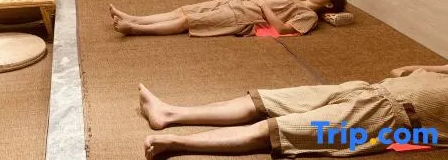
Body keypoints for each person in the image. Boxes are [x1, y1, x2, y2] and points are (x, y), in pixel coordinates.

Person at [139, 64, 448, 159]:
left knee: (280, 129)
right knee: (264, 100)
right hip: (366, 89)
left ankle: (177, 143)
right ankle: (171, 113)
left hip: (387, 118)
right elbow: (400, 71)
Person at [109, 0, 345, 36]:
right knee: (182, 10)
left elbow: (282, 29)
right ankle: (135, 18)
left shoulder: (309, 16)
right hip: (236, 2)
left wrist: (262, 5)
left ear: (328, 5)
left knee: (187, 21)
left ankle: (135, 29)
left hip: (243, 17)